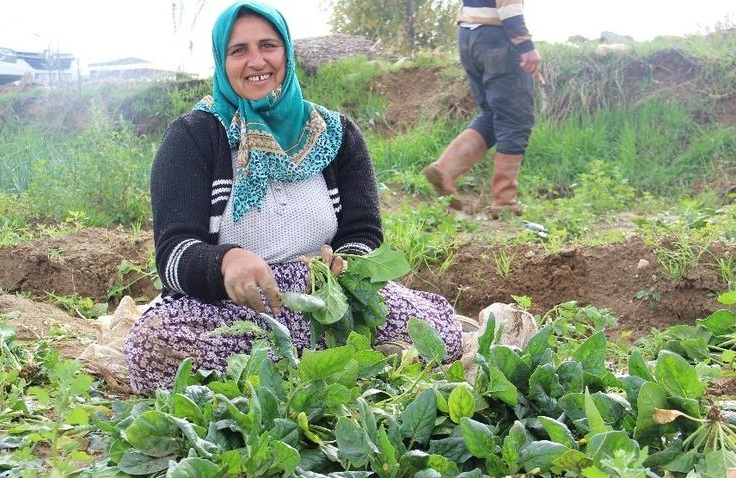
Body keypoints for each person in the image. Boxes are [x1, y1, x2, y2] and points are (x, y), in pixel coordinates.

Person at [125, 0, 463, 393]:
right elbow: (174, 253)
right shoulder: (193, 136)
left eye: (268, 46)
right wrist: (225, 262)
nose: (256, 61)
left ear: (286, 50)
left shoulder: (336, 134)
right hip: (233, 309)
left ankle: (281, 372)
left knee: (437, 332)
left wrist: (347, 263)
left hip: (327, 302)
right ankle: (342, 366)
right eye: (239, 50)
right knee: (154, 346)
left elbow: (363, 230)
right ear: (222, 60)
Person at [422, 0, 541, 217]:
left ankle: (445, 169)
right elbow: (509, 6)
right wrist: (525, 45)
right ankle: (505, 203)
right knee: (515, 121)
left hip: (469, 36)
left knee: (493, 115)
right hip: (497, 37)